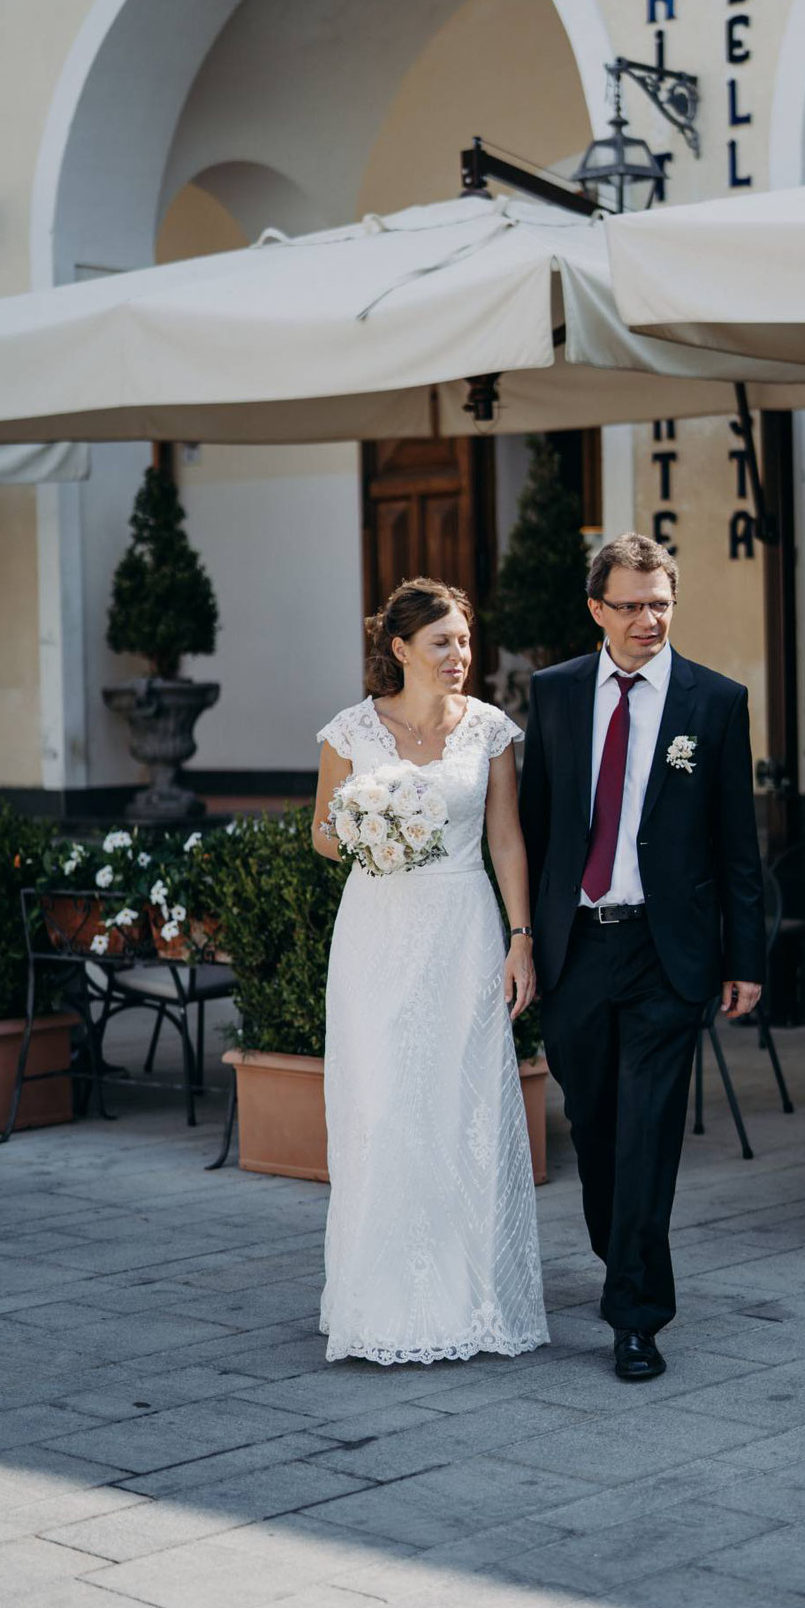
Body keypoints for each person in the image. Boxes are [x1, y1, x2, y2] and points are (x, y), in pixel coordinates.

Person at [519, 534, 764, 1383]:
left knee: (648, 1131)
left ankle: (636, 1316)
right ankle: (618, 1252)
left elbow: (739, 844)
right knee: (593, 1123)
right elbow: (535, 830)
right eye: (629, 605)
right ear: (596, 610)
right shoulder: (551, 694)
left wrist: (747, 958)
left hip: (669, 953)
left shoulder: (715, 701)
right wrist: (521, 938)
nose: (647, 620)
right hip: (577, 946)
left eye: (659, 602)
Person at [311, 577, 548, 1367]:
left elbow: (507, 838)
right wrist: (368, 834)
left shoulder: (489, 730)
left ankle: (471, 1300)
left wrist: (520, 940)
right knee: (380, 1110)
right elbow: (320, 834)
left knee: (463, 1107)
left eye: (466, 642)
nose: (459, 656)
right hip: (376, 932)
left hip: (462, 927)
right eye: (443, 643)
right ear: (401, 649)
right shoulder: (350, 731)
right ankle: (377, 1306)